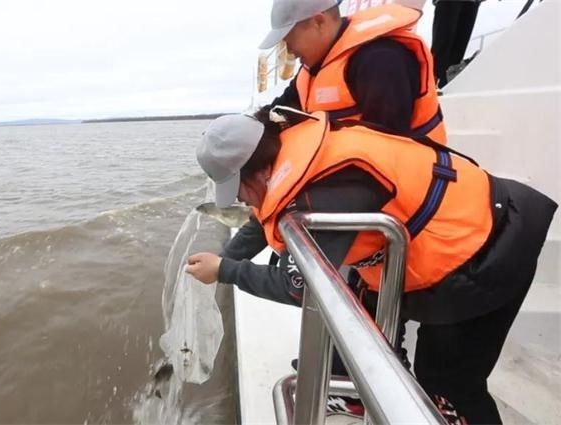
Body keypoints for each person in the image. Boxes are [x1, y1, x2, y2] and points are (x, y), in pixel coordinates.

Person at [186, 106, 557, 424]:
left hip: (489, 248)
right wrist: (232, 256)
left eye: (236, 187)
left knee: (449, 384)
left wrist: (224, 271)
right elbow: (260, 215)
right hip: (470, 222)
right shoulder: (292, 155)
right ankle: (357, 386)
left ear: (258, 171)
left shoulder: (324, 194)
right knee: (366, 309)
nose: (238, 197)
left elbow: (298, 284)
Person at [261, 0, 447, 143]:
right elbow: (276, 113)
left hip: (408, 183)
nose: (289, 50)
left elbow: (386, 150)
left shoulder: (379, 60)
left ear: (318, 21)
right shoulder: (313, 69)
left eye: (289, 39)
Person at [431, 0, 485, 88]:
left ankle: (446, 86)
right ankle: (430, 86)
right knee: (441, 48)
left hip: (472, 2)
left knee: (458, 53)